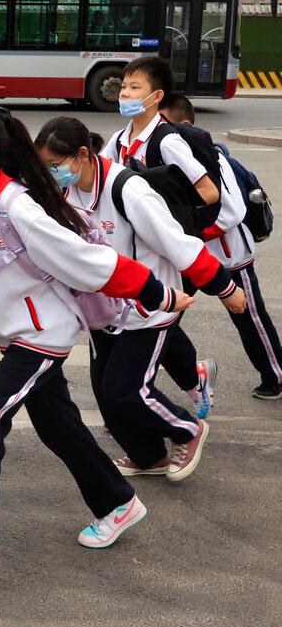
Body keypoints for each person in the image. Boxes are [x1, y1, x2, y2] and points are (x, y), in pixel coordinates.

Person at [0, 103, 192, 576]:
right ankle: (118, 503)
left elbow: (84, 259)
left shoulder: (14, 204)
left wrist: (159, 293)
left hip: (42, 334)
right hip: (13, 334)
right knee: (57, 425)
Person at [35, 116, 244, 480]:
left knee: (125, 391)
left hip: (149, 307)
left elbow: (178, 245)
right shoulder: (65, 192)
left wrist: (225, 288)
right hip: (103, 309)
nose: (52, 174)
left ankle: (187, 429)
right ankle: (149, 457)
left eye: (55, 166)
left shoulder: (128, 190)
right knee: (105, 394)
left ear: (81, 155)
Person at [102, 56, 220, 419]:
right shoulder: (119, 139)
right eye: (123, 87)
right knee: (156, 324)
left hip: (169, 251)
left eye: (134, 88)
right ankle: (194, 380)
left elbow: (209, 192)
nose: (125, 93)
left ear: (156, 96)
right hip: (133, 251)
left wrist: (160, 203)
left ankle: (148, 404)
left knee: (155, 323)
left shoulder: (167, 141)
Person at [160, 94, 282, 400]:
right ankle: (151, 388)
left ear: (184, 125)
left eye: (163, 125)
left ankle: (276, 376)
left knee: (249, 316)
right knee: (161, 318)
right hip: (189, 257)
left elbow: (231, 212)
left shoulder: (214, 158)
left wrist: (189, 233)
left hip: (229, 257)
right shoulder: (169, 158)